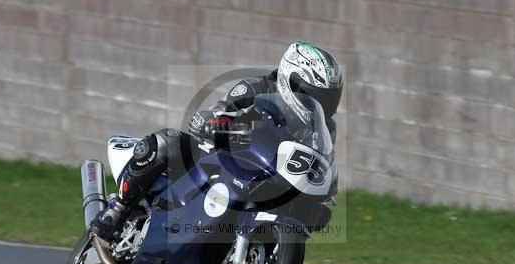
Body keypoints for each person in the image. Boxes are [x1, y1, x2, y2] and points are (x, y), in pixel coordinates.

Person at [90, 41, 344, 241]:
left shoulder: (323, 127)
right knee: (167, 142)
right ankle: (118, 208)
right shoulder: (258, 88)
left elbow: (321, 158)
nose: (324, 103)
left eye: (330, 97)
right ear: (293, 82)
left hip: (265, 178)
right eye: (318, 95)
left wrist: (328, 181)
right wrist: (219, 122)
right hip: (225, 157)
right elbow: (216, 113)